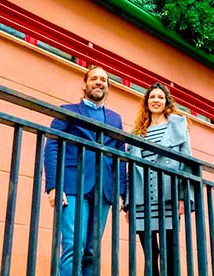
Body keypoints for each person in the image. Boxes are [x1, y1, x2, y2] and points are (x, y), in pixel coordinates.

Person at [44, 66, 126, 276]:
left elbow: (120, 156)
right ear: (84, 84)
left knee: (92, 251)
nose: (99, 82)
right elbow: (52, 146)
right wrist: (54, 186)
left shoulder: (115, 119)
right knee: (73, 247)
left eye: (103, 80)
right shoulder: (68, 111)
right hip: (73, 187)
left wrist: (120, 192)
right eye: (94, 78)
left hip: (104, 191)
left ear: (107, 88)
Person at [125, 82, 193, 276]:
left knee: (170, 255)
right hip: (141, 202)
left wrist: (183, 197)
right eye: (152, 97)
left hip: (168, 199)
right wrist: (129, 204)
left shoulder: (179, 127)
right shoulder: (138, 133)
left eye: (160, 97)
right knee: (149, 257)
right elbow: (131, 171)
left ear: (166, 102)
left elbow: (187, 164)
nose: (156, 101)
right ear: (146, 103)